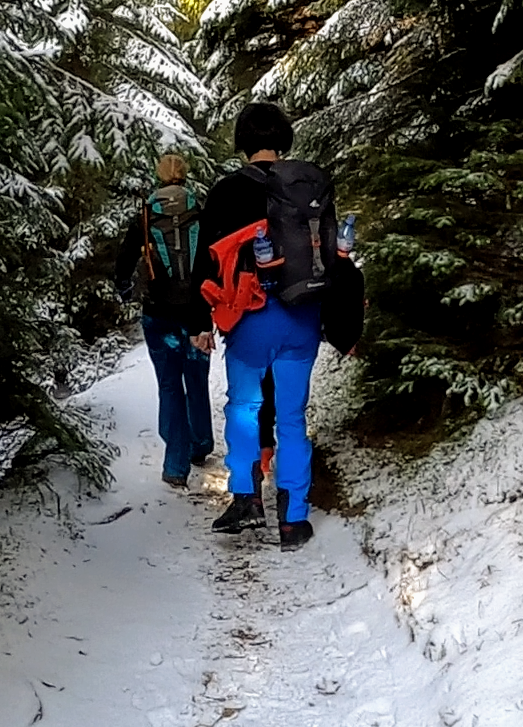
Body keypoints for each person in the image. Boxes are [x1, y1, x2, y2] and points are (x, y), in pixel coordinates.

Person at [191, 103, 364, 551]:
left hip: (251, 317)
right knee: (291, 417)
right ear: (284, 140)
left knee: (245, 407)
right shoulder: (308, 187)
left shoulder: (227, 190)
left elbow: (203, 264)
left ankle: (247, 498)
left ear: (242, 142)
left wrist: (199, 321)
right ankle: (293, 519)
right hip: (303, 316)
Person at [115, 153, 215, 488]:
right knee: (197, 378)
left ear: (159, 176)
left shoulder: (145, 215)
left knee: (170, 385)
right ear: (185, 175)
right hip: (197, 313)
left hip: (158, 312)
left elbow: (125, 260)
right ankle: (201, 445)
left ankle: (175, 465)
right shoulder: (202, 211)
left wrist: (125, 288)